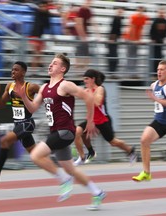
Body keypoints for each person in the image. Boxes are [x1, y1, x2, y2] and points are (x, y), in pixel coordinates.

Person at [16, 53, 106, 210]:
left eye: (55, 63)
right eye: (51, 63)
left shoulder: (66, 85)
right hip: (56, 133)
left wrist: (90, 122)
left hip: (66, 131)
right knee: (71, 169)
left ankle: (64, 180)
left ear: (62, 69)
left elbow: (89, 98)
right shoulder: (44, 88)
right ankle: (97, 192)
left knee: (36, 155)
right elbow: (32, 108)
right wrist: (24, 97)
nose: (50, 65)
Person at [0, 61, 40, 183]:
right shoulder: (9, 86)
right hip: (18, 125)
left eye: (16, 70)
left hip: (27, 124)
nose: (13, 71)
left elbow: (46, 94)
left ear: (23, 72)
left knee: (4, 141)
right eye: (12, 69)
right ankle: (63, 163)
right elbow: (1, 105)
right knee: (37, 156)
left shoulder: (31, 87)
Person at [74, 69, 137, 166]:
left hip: (103, 120)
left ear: (93, 79)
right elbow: (75, 94)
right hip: (91, 120)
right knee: (78, 132)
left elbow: (97, 102)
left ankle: (130, 151)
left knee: (113, 142)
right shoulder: (86, 90)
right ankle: (87, 154)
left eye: (86, 79)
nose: (84, 81)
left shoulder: (100, 89)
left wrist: (89, 91)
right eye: (84, 79)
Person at [123, 6, 149, 78]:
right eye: (139, 10)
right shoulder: (134, 17)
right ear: (137, 10)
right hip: (130, 38)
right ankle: (129, 73)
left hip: (136, 39)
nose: (141, 11)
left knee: (134, 55)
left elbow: (140, 29)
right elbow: (132, 28)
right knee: (130, 55)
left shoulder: (144, 18)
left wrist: (139, 39)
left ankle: (133, 73)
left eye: (142, 10)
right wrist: (134, 40)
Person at [149, 8, 166, 78]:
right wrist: (153, 39)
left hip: (161, 42)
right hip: (155, 42)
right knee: (154, 58)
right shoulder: (155, 21)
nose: (161, 14)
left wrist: (163, 38)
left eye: (163, 13)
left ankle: (159, 73)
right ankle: (153, 73)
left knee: (160, 58)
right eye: (160, 13)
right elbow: (151, 31)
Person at [107, 7, 124, 76]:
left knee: (114, 57)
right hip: (113, 39)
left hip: (114, 39)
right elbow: (113, 30)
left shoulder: (118, 19)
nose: (120, 13)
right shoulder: (116, 19)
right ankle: (112, 72)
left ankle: (112, 72)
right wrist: (112, 39)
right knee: (113, 57)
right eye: (119, 11)